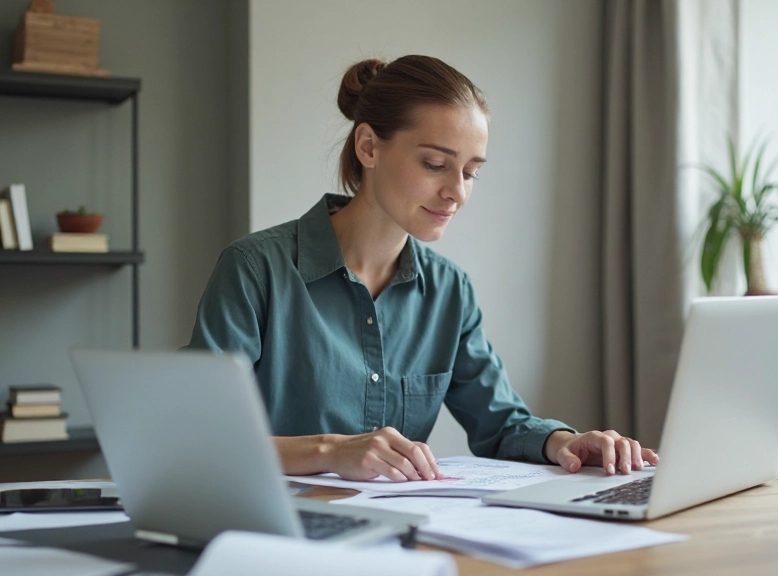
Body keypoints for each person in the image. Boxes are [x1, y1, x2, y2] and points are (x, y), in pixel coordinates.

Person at [187, 54, 658, 482]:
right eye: (436, 164)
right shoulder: (254, 270)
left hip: (400, 538)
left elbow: (501, 424)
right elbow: (200, 438)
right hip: (271, 534)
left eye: (471, 172)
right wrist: (330, 450)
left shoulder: (450, 291)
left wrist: (565, 444)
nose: (458, 191)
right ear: (368, 147)